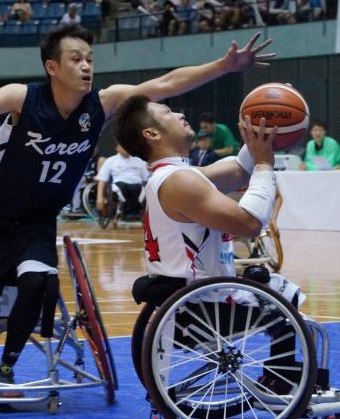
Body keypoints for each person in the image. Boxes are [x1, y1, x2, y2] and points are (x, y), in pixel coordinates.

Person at [0, 25, 275, 391]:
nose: (86, 66)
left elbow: (166, 84)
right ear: (52, 67)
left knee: (36, 282)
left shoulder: (103, 103)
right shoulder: (23, 97)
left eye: (89, 59)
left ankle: (7, 365)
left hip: (38, 222)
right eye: (76, 58)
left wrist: (224, 67)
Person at [114, 97, 305, 395]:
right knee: (286, 295)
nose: (179, 113)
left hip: (187, 300)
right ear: (151, 134)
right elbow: (249, 222)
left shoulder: (177, 176)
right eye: (167, 112)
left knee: (274, 288)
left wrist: (265, 122)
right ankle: (281, 377)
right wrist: (266, 165)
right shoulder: (180, 182)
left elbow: (240, 170)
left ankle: (279, 376)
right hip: (203, 308)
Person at [95, 144, 150, 220]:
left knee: (138, 187)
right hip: (119, 185)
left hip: (137, 185)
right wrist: (100, 197)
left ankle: (135, 213)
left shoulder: (139, 161)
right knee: (122, 187)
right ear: (117, 148)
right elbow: (102, 180)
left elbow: (147, 178)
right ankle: (124, 212)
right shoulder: (110, 160)